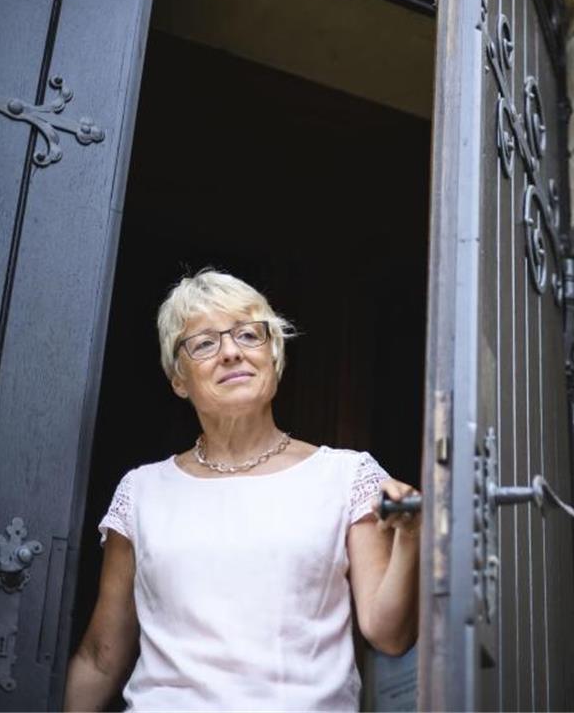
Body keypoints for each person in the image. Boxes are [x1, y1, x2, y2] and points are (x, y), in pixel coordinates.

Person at [63, 269, 420, 711]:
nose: (231, 352)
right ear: (178, 378)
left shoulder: (346, 477)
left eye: (249, 335)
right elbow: (101, 656)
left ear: (274, 355)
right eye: (205, 343)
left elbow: (390, 634)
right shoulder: (142, 491)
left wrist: (409, 537)